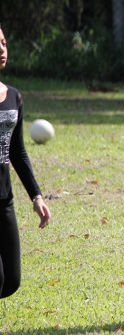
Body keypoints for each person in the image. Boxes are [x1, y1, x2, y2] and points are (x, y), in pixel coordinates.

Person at [0, 23, 51, 299]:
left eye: (4, 43)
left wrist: (36, 196)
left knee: (11, 281)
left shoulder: (13, 96)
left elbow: (17, 152)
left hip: (4, 199)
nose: (1, 49)